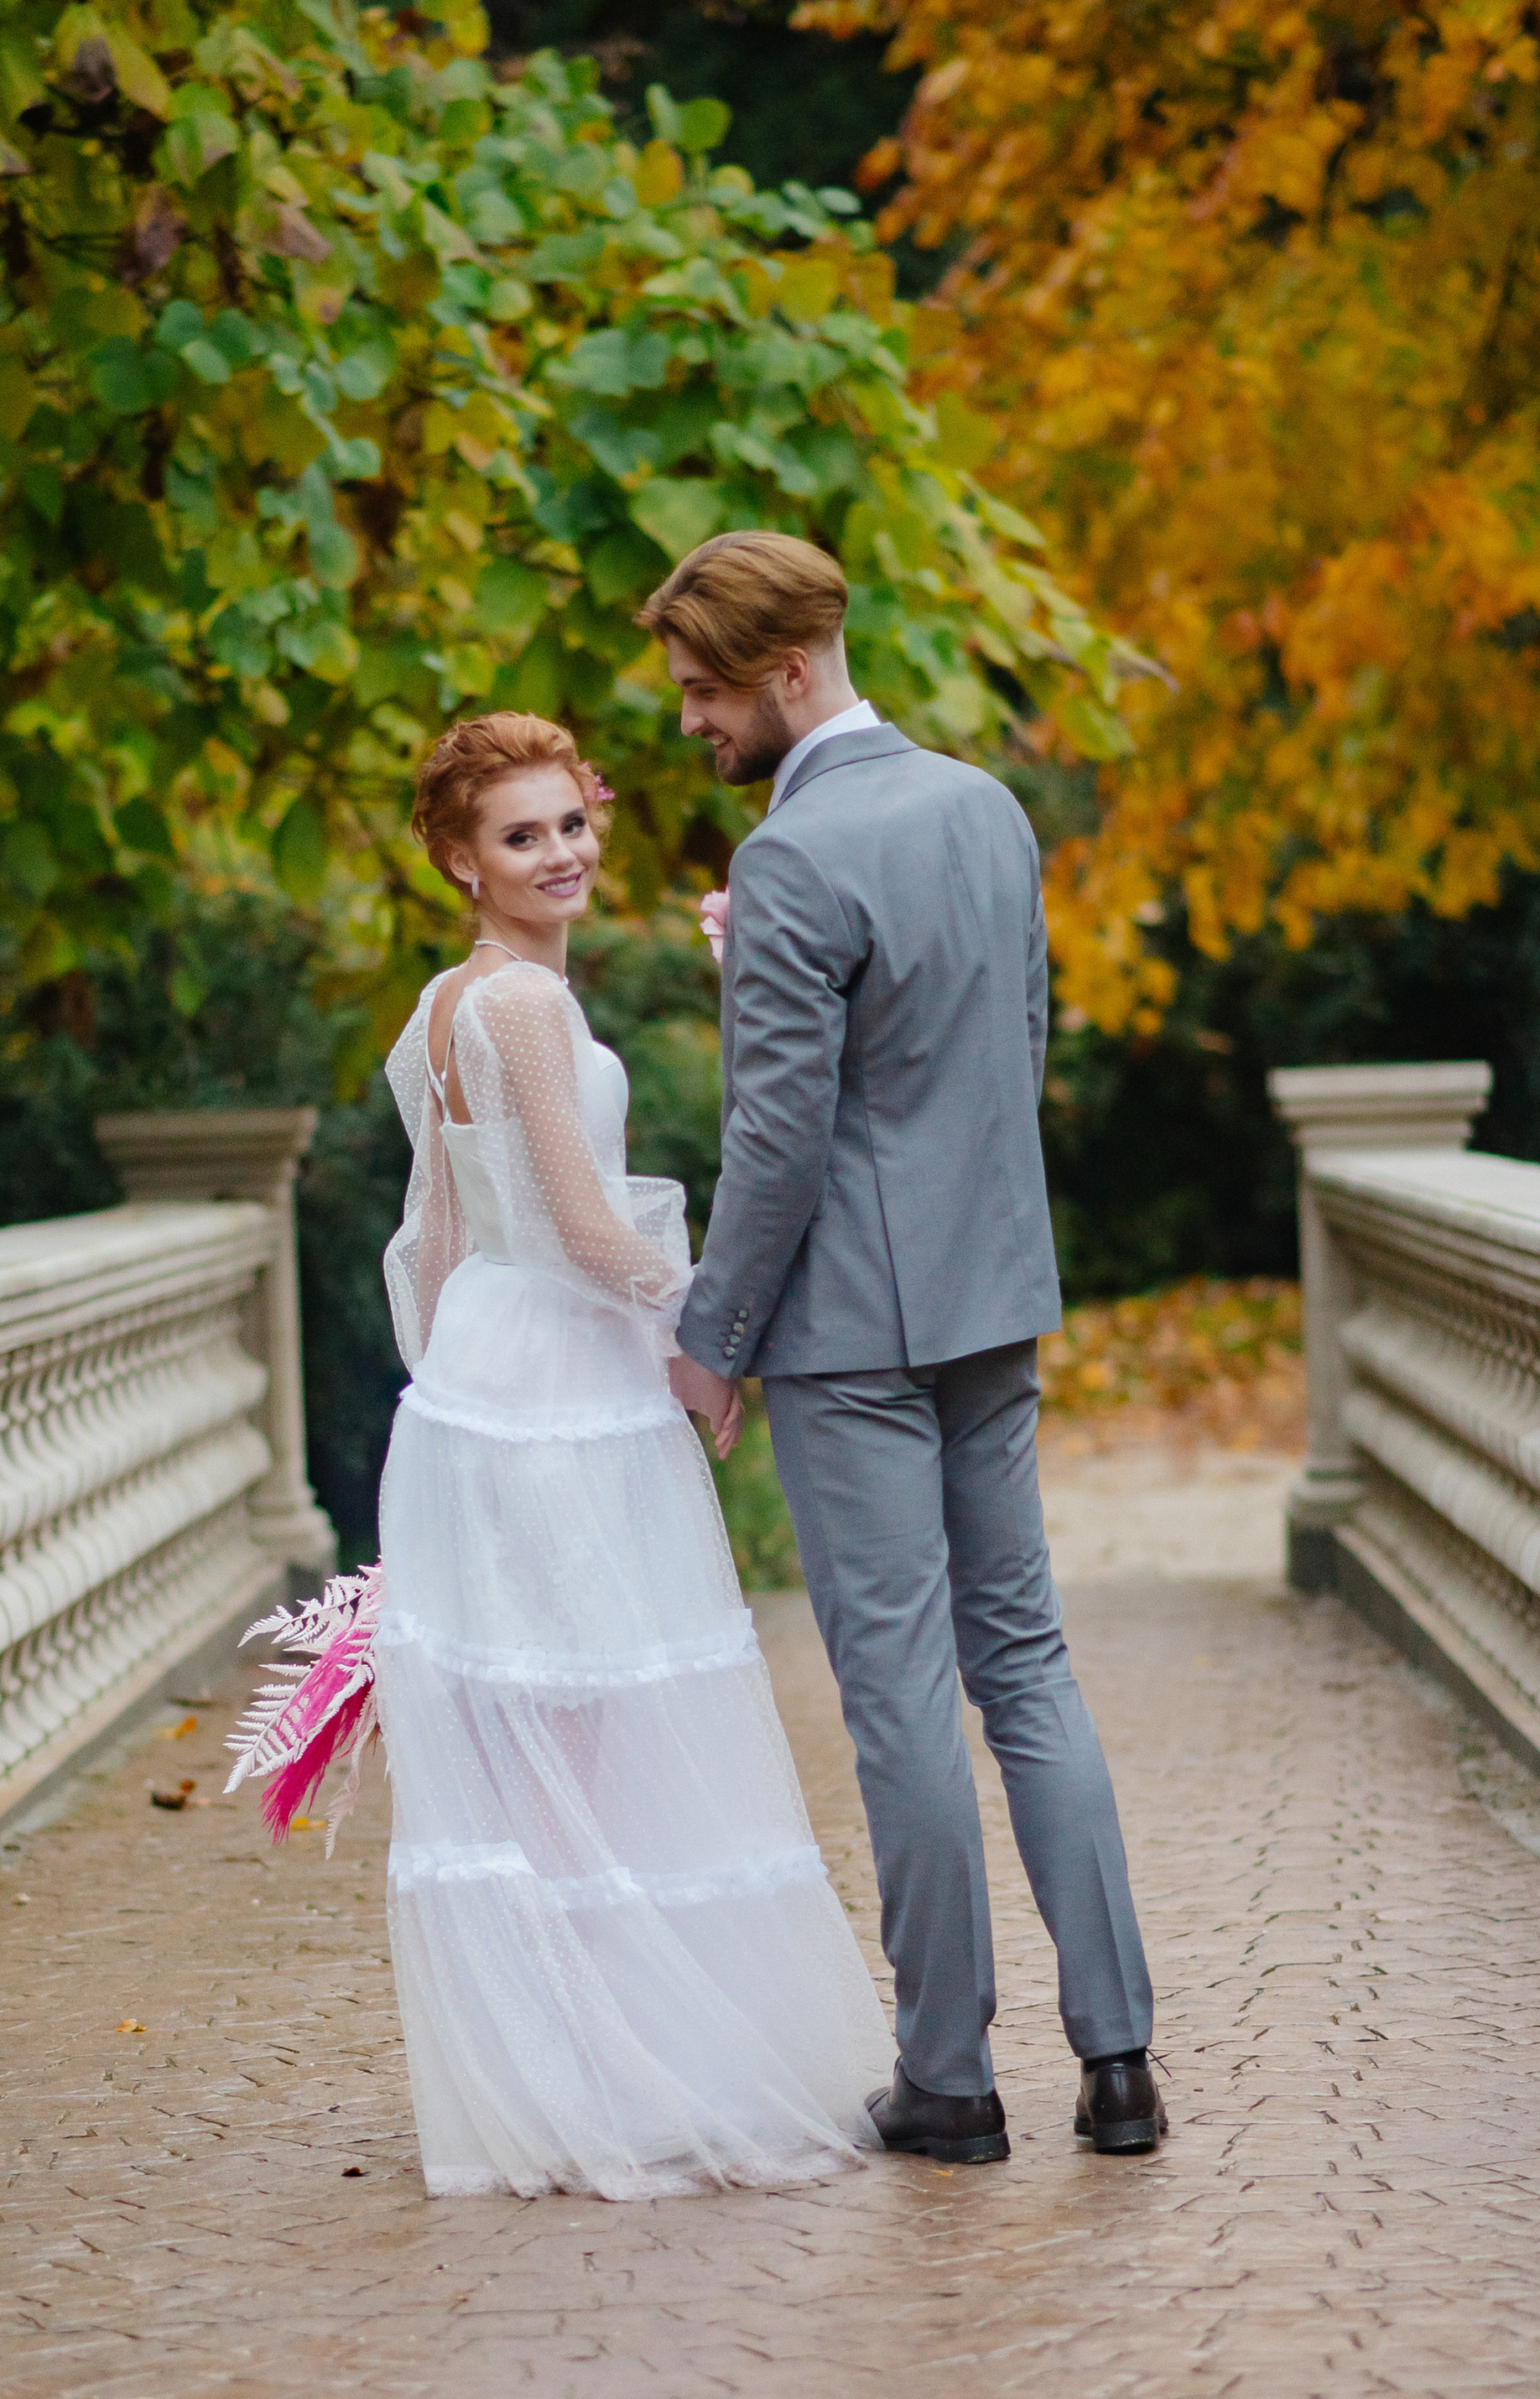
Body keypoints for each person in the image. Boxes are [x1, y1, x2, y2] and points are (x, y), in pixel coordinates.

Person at [637, 531, 1164, 2162]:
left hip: (851, 1336)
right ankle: (1119, 2061)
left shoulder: (794, 860)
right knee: (1024, 1665)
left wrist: (711, 1337)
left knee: (896, 1701)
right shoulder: (981, 810)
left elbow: (779, 1138)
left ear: (787, 673)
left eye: (704, 693)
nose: (687, 726)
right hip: (987, 1301)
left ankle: (947, 2081)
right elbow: (999, 1053)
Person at [375, 710, 894, 2199]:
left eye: (570, 824)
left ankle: (560, 2067)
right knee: (584, 1735)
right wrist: (711, 1333)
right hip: (551, 1386)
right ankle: (590, 2077)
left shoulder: (444, 1007)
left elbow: (436, 1240)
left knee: (550, 1734)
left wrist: (450, 1398)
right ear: (462, 862)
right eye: (521, 836)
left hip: (490, 1369)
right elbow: (588, 1225)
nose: (560, 855)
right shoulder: (524, 1012)